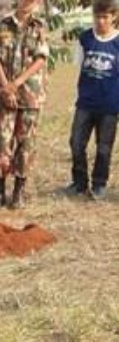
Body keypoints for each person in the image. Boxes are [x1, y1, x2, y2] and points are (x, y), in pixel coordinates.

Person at [0, 0, 49, 209]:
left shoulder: (39, 27)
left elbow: (40, 59)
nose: (26, 2)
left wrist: (17, 83)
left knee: (25, 145)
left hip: (30, 95)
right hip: (6, 95)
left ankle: (18, 192)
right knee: (2, 143)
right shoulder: (3, 25)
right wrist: (6, 87)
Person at [65, 0, 119, 199]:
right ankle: (79, 182)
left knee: (104, 148)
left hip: (110, 106)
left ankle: (99, 184)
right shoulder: (85, 38)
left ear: (114, 17)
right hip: (85, 103)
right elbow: (79, 67)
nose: (101, 21)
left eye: (105, 17)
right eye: (97, 16)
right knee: (76, 143)